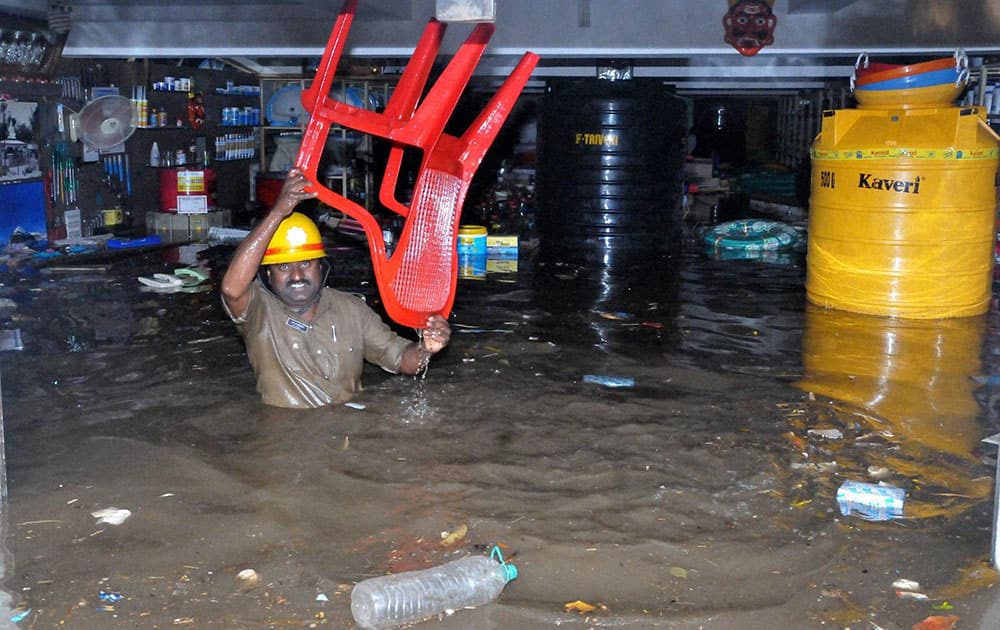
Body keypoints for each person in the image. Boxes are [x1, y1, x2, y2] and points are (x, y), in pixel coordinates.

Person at [221, 168, 451, 408]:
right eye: (283, 267)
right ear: (268, 273)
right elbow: (231, 289)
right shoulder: (259, 311)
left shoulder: (351, 310)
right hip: (284, 433)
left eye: (306, 263)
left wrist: (427, 348)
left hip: (346, 432)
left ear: (321, 266)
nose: (297, 275)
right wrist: (279, 210)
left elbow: (403, 359)